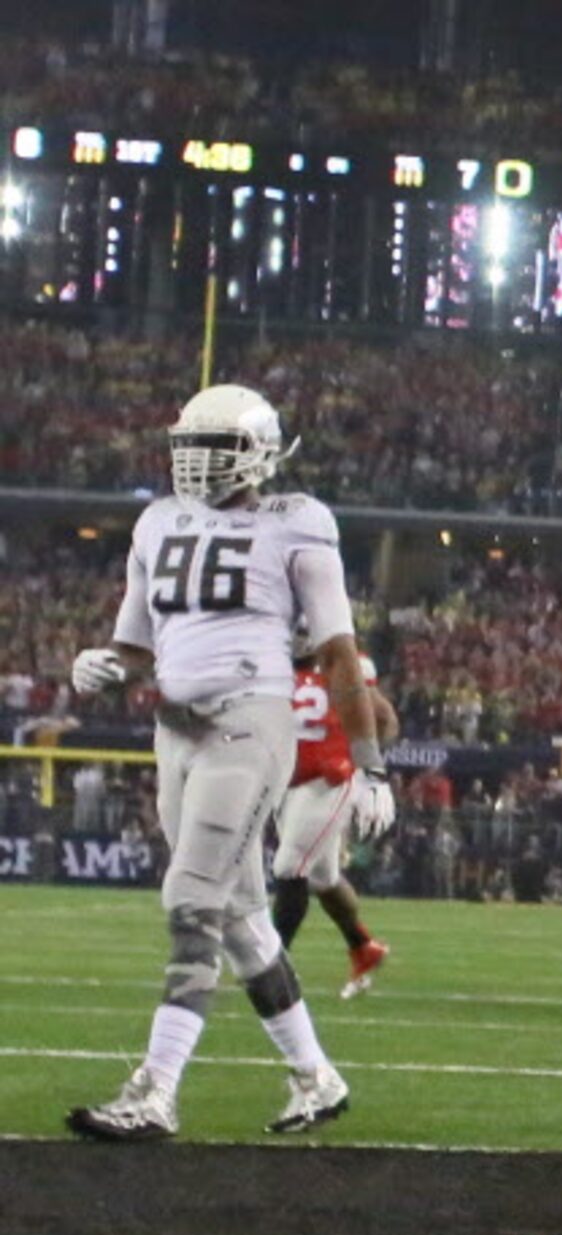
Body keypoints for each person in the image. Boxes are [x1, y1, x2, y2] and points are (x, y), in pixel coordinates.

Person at [64, 383, 378, 1142]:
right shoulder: (156, 520)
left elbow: (338, 651)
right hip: (174, 730)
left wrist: (370, 765)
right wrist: (104, 664)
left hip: (251, 721)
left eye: (219, 448)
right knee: (239, 918)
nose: (198, 464)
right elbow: (138, 643)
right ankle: (316, 1077)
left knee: (191, 896)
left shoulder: (298, 520)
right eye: (189, 446)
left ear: (262, 452)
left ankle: (156, 1089)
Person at [270, 631, 396, 999]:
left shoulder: (345, 663)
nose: (297, 639)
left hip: (328, 780)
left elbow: (385, 720)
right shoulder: (269, 659)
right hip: (287, 783)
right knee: (323, 877)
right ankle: (363, 947)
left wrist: (364, 770)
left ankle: (273, 965)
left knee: (289, 868)